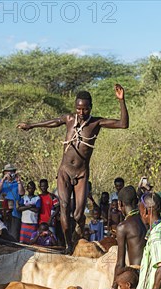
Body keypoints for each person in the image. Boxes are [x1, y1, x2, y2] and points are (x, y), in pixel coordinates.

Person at [17, 85, 129, 252]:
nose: (81, 112)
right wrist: (32, 125)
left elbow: (123, 124)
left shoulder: (96, 123)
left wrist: (121, 101)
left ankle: (78, 235)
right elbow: (54, 121)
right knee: (63, 206)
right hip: (64, 171)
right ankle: (68, 244)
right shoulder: (70, 119)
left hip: (82, 173)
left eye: (84, 109)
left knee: (77, 214)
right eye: (78, 108)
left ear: (90, 107)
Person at [106, 186, 147, 289]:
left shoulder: (123, 226)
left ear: (120, 204)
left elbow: (120, 263)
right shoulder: (146, 220)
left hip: (136, 276)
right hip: (150, 272)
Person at [0, 164, 25, 241]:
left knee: (14, 236)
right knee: (2, 235)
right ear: (4, 173)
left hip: (15, 213)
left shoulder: (17, 183)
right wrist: (3, 180)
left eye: (12, 172)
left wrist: (19, 181)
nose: (10, 174)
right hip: (2, 213)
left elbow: (21, 193)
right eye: (8, 172)